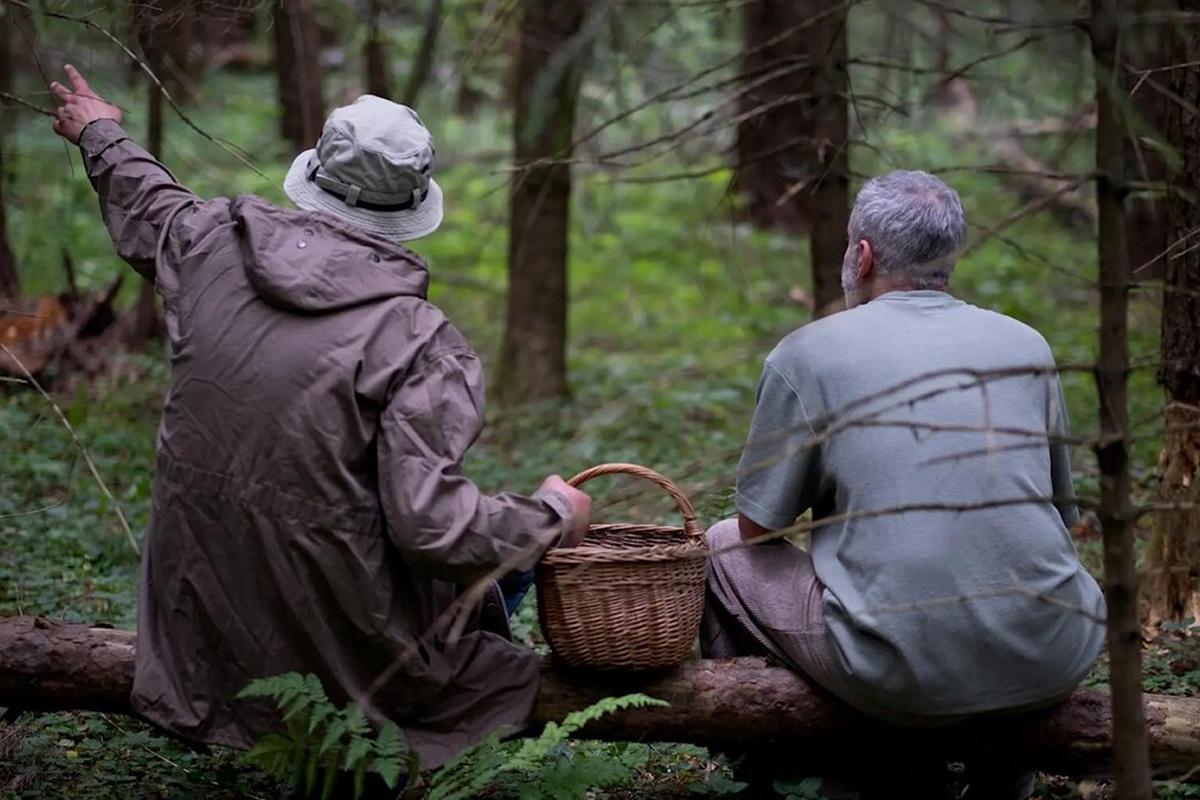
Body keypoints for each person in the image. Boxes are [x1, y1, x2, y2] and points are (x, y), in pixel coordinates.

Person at [50, 65, 592, 795]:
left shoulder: (209, 245)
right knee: (504, 552)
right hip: (347, 653)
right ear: (413, 204)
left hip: (200, 627)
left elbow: (150, 201)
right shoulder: (421, 343)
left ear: (316, 172)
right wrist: (554, 513)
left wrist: (99, 131)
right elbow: (433, 529)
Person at [702, 170, 1106, 799]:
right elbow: (1059, 512)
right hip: (1053, 649)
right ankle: (1003, 774)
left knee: (722, 544)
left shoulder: (807, 353)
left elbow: (759, 528)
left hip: (901, 667)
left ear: (861, 255)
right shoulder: (1028, 344)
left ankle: (794, 768)